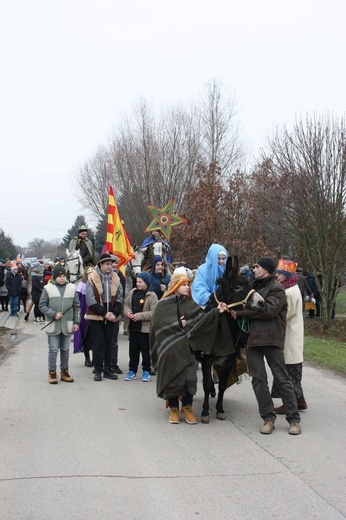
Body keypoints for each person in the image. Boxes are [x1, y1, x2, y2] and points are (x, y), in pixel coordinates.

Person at [230, 256, 301, 435]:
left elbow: (268, 311)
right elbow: (242, 301)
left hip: (272, 339)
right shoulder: (253, 287)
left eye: (257, 267)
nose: (254, 269)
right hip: (253, 340)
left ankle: (294, 420)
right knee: (258, 380)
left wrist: (240, 313)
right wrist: (230, 307)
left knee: (282, 379)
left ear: (267, 270)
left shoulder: (277, 289)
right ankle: (268, 419)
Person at [150, 269, 229, 425]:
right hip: (170, 352)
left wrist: (216, 312)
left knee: (189, 378)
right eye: (184, 284)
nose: (187, 287)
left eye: (188, 284)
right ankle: (173, 408)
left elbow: (202, 320)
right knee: (172, 378)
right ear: (175, 285)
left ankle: (187, 407)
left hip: (187, 351)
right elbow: (157, 325)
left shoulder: (190, 304)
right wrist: (177, 324)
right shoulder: (162, 305)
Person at [272, 259, 307, 413]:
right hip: (293, 335)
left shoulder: (289, 292)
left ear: (287, 275)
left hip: (290, 336)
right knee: (293, 369)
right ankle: (300, 400)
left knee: (287, 371)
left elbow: (285, 314)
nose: (277, 276)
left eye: (280, 273)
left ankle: (289, 404)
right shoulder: (293, 288)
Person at [39, 264, 80, 384]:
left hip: (67, 324)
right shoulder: (48, 288)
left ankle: (65, 372)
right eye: (59, 276)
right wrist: (53, 314)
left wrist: (76, 321)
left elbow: (77, 306)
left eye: (63, 276)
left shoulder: (72, 288)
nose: (62, 278)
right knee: (53, 349)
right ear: (54, 276)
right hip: (54, 325)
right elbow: (42, 305)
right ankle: (52, 372)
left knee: (65, 349)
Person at [85, 253, 122, 381]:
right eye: (107, 264)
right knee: (98, 343)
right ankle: (98, 369)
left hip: (111, 314)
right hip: (96, 315)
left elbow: (119, 297)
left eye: (111, 264)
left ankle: (108, 369)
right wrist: (104, 313)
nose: (109, 266)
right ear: (100, 264)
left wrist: (114, 313)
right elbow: (90, 299)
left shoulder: (115, 277)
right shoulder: (92, 278)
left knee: (109, 343)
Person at [123, 272, 158, 382]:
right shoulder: (132, 292)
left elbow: (154, 312)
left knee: (145, 351)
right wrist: (128, 312)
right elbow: (126, 304)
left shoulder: (152, 295)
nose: (138, 284)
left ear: (146, 282)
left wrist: (139, 316)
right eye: (137, 281)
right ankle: (132, 370)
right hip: (133, 327)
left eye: (140, 282)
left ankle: (146, 370)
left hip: (145, 329)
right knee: (133, 350)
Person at [191, 244, 228, 308]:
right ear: (212, 257)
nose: (221, 261)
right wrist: (213, 298)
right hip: (207, 305)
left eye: (223, 258)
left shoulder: (226, 270)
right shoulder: (202, 270)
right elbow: (199, 289)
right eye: (218, 258)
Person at [73, 266, 94, 366]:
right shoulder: (82, 285)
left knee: (96, 338)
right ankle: (87, 358)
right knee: (86, 336)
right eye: (89, 274)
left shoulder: (97, 284)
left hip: (95, 312)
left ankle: (96, 358)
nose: (91, 276)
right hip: (85, 313)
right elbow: (78, 300)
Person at [110, 255, 126, 374]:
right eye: (111, 263)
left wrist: (115, 312)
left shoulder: (121, 277)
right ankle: (101, 362)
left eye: (116, 263)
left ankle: (113, 364)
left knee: (114, 340)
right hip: (102, 312)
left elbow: (121, 296)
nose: (114, 265)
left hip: (115, 311)